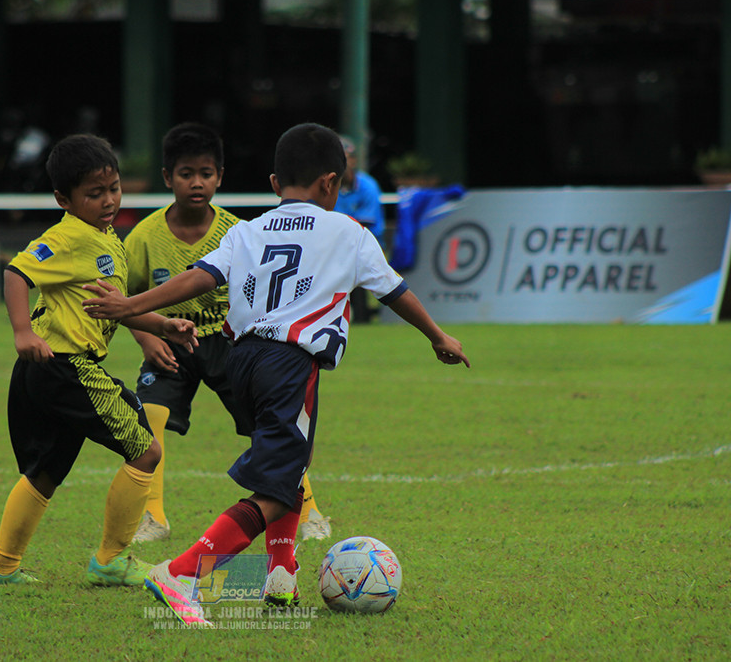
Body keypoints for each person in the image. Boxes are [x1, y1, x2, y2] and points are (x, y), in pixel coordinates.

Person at [81, 123, 470, 626]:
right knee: (274, 487)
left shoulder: (247, 230)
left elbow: (199, 277)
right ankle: (181, 573)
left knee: (289, 466)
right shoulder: (349, 232)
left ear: (273, 183)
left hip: (240, 359)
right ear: (331, 183)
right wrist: (438, 336)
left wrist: (130, 305)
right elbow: (394, 291)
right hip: (290, 364)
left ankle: (280, 574)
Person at [0, 134, 199, 587]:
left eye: (113, 188)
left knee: (45, 472)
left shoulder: (105, 237)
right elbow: (16, 273)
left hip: (46, 372)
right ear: (64, 199)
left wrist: (163, 325)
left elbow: (116, 305)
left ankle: (0, 568)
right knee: (147, 451)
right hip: (67, 367)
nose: (109, 200)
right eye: (95, 194)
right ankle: (111, 560)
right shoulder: (68, 237)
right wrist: (21, 332)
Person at [123, 122, 332, 544]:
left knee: (274, 426)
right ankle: (152, 517)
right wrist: (148, 339)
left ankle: (308, 511)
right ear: (167, 177)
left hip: (230, 344)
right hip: (171, 342)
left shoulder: (241, 232)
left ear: (219, 176)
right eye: (186, 174)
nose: (196, 183)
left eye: (205, 173)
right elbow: (128, 299)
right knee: (149, 418)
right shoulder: (143, 237)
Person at [335, 135, 385, 323]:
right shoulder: (329, 186)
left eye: (345, 159)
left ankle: (364, 317)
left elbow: (366, 224)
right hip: (337, 246)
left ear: (354, 160)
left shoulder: (368, 185)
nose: (342, 164)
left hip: (367, 243)